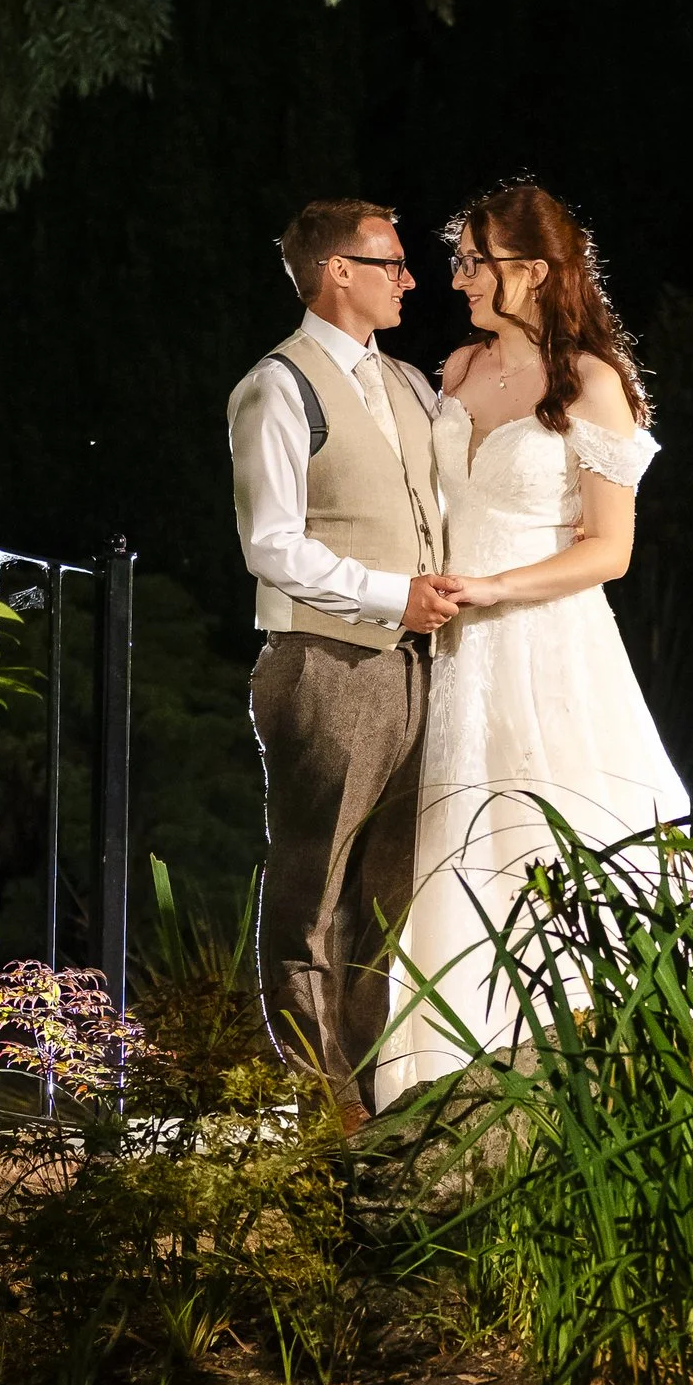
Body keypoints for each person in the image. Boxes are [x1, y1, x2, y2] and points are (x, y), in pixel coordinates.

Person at [378, 181, 693, 1100]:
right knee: (452, 843)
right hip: (451, 645)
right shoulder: (458, 370)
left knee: (544, 834)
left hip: (544, 640)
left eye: (476, 262)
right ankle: (438, 1083)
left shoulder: (592, 383)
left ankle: (592, 1077)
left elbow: (611, 550)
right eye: (461, 260)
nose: (459, 278)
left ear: (535, 270)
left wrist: (493, 587)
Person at [228, 201, 463, 1125]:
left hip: (421, 668)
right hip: (327, 664)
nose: (409, 278)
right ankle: (314, 1107)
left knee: (390, 896)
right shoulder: (277, 387)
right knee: (312, 889)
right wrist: (387, 594)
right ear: (336, 271)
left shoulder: (408, 381)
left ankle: (371, 1092)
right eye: (392, 263)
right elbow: (271, 544)